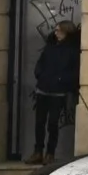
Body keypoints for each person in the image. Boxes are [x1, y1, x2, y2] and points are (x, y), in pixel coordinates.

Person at [29, 20, 79, 166]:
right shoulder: (50, 47)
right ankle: (38, 151)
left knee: (53, 123)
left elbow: (74, 72)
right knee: (39, 122)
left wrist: (61, 80)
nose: (56, 33)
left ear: (67, 33)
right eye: (56, 30)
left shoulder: (72, 50)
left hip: (58, 92)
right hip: (43, 89)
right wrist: (40, 74)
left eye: (60, 31)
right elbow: (40, 64)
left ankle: (50, 153)